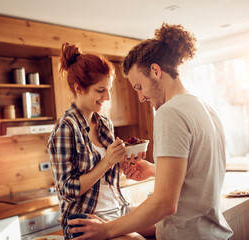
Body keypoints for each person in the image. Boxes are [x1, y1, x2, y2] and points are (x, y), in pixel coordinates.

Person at [67, 23, 234, 240]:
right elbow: (200, 172)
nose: (141, 97)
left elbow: (164, 204)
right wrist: (157, 170)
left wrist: (107, 229)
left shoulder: (170, 113)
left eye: (139, 87)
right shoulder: (204, 108)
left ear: (156, 71)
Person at [47, 42, 148, 239]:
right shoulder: (66, 128)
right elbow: (67, 190)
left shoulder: (104, 123)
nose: (107, 97)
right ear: (79, 88)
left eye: (108, 89)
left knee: (168, 224)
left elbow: (108, 172)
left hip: (118, 207)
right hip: (86, 220)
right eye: (101, 90)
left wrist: (127, 162)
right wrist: (107, 161)